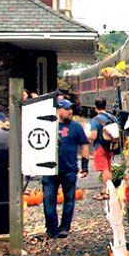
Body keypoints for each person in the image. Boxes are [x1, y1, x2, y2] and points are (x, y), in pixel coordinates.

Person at [43, 99, 89, 239]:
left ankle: (64, 227)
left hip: (69, 170)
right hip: (50, 170)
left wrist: (85, 166)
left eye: (71, 109)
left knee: (69, 200)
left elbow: (84, 145)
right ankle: (51, 227)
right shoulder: (48, 125)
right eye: (67, 109)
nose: (70, 111)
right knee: (48, 199)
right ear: (59, 110)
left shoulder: (76, 127)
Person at [88, 98, 119, 200]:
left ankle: (107, 192)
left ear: (95, 107)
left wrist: (86, 136)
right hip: (110, 146)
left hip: (100, 147)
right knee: (108, 168)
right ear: (105, 106)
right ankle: (106, 189)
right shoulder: (113, 117)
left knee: (105, 170)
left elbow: (93, 136)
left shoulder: (95, 120)